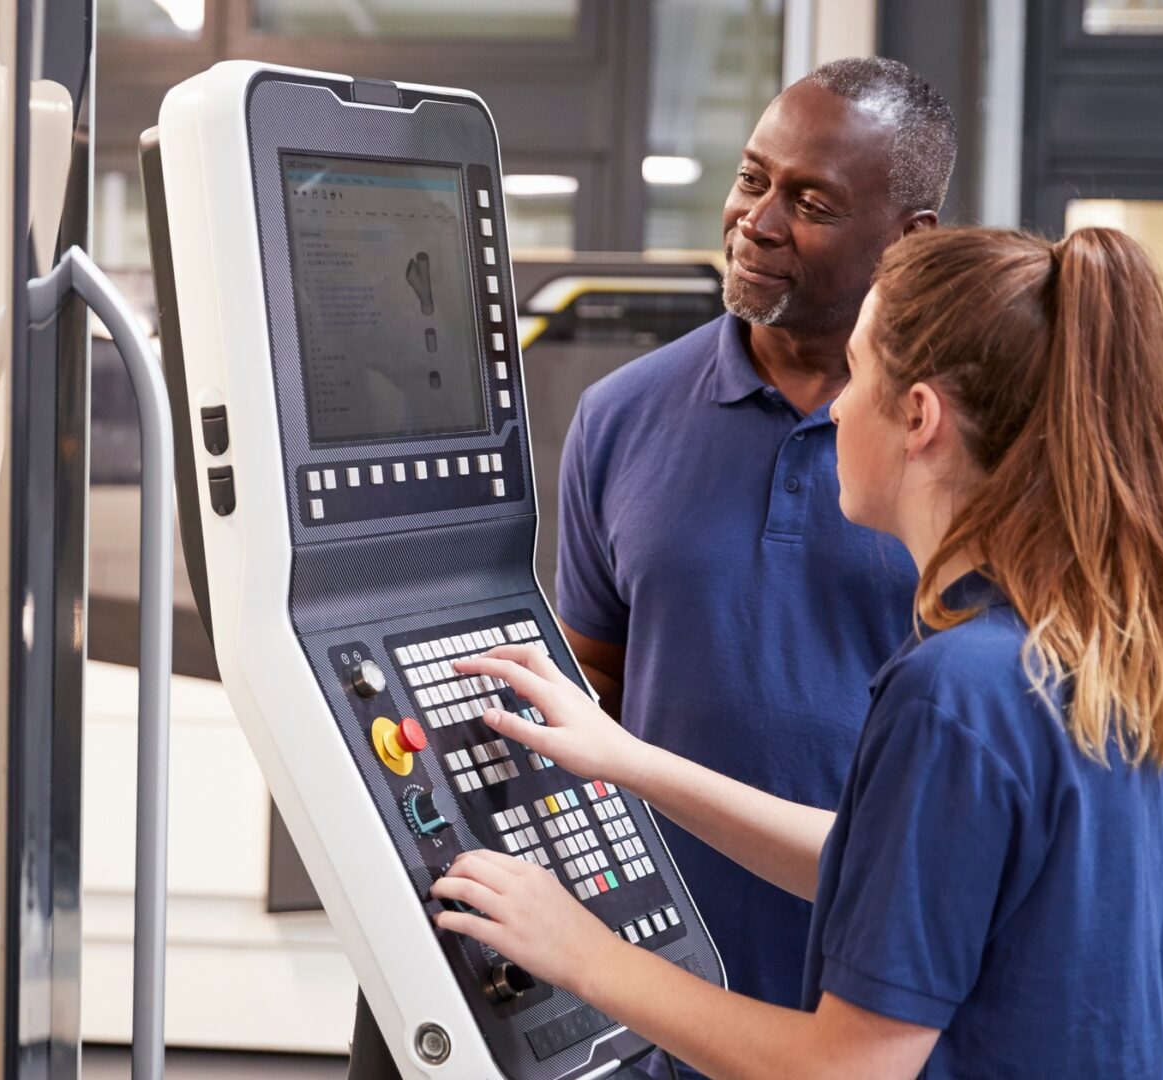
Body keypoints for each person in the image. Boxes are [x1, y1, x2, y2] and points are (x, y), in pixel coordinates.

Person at [433, 226, 1163, 1078]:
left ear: (918, 418)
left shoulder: (953, 694)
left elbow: (841, 1071)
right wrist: (629, 761)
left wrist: (580, 952)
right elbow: (881, 864)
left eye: (860, 374)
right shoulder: (1093, 653)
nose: (834, 408)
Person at [348, 57, 957, 1077]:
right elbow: (591, 690)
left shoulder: (947, 446)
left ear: (910, 240)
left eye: (809, 202)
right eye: (752, 177)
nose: (757, 221)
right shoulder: (623, 415)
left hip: (879, 997)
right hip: (660, 983)